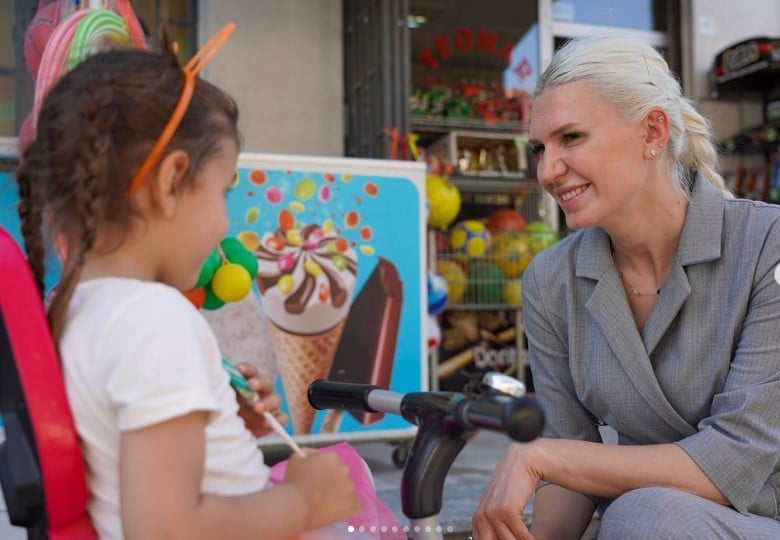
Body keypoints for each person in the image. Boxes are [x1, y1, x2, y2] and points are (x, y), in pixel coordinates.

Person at [14, 27, 361, 539]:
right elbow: (164, 529)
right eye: (223, 192)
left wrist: (225, 422)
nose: (226, 226)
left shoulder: (73, 306)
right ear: (171, 182)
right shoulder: (153, 320)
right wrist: (303, 501)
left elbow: (122, 459)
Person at [472, 32, 780, 540]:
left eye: (571, 138)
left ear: (653, 131)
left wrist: (547, 457)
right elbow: (566, 472)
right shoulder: (550, 282)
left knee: (645, 515)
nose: (547, 171)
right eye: (539, 148)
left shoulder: (767, 246)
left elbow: (736, 458)